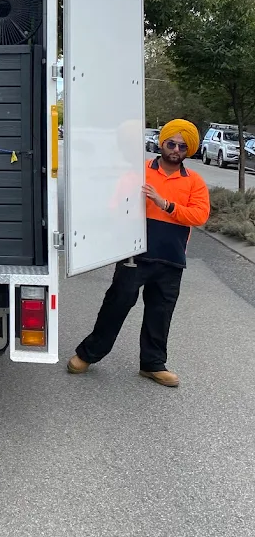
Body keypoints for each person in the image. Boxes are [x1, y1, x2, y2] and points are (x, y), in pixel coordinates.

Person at [67, 119, 210, 387]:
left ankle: (153, 364)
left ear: (188, 149)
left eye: (182, 145)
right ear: (161, 143)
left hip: (171, 259)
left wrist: (164, 203)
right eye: (171, 143)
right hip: (134, 256)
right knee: (116, 305)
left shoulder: (195, 182)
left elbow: (199, 215)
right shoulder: (138, 172)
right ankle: (88, 354)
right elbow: (115, 208)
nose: (176, 149)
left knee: (160, 312)